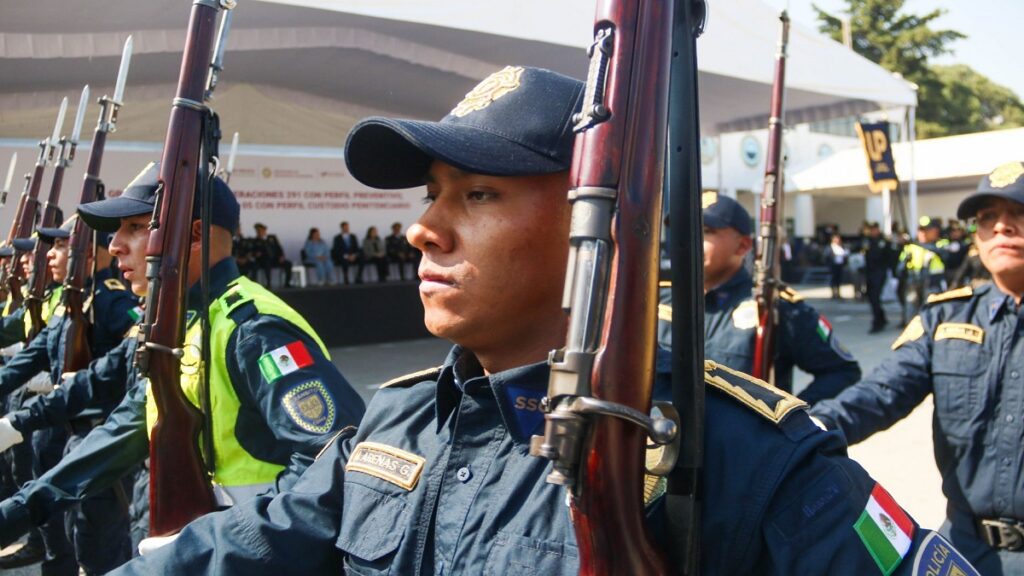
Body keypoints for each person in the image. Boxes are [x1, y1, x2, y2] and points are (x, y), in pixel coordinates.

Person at [110, 66, 976, 576]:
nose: (424, 227)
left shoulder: (741, 458)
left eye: (478, 193)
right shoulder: (399, 422)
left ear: (599, 223)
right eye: (432, 193)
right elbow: (240, 546)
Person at [0, 164, 366, 565]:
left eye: (136, 227)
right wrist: (18, 511)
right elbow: (122, 431)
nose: (115, 244)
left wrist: (202, 551)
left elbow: (335, 461)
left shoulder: (252, 328)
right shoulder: (181, 325)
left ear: (192, 237)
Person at [810, 161, 1024, 574]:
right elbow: (880, 393)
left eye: (1019, 214)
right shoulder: (945, 320)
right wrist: (809, 431)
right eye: (988, 218)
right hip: (962, 548)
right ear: (976, 235)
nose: (1002, 227)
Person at [0, 217, 139, 574]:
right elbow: (36, 354)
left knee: (98, 541)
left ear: (86, 254)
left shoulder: (110, 299)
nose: (49, 256)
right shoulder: (73, 301)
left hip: (102, 431)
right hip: (66, 426)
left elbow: (133, 366)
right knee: (68, 530)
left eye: (61, 246)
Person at [659, 193, 860, 404]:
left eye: (706, 231)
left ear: (743, 246)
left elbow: (842, 372)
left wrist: (791, 425)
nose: (688, 240)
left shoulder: (775, 306)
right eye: (683, 229)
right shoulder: (657, 299)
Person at [863, 222, 896, 333]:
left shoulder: (883, 241)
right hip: (869, 273)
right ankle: (881, 318)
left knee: (875, 298)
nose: (873, 232)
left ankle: (878, 322)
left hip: (879, 272)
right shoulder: (868, 241)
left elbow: (890, 256)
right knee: (871, 298)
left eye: (874, 229)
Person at [828, 234, 848, 299]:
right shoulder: (830, 247)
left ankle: (838, 293)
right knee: (833, 279)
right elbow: (827, 256)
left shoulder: (842, 247)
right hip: (833, 266)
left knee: (839, 280)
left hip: (840, 265)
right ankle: (833, 293)